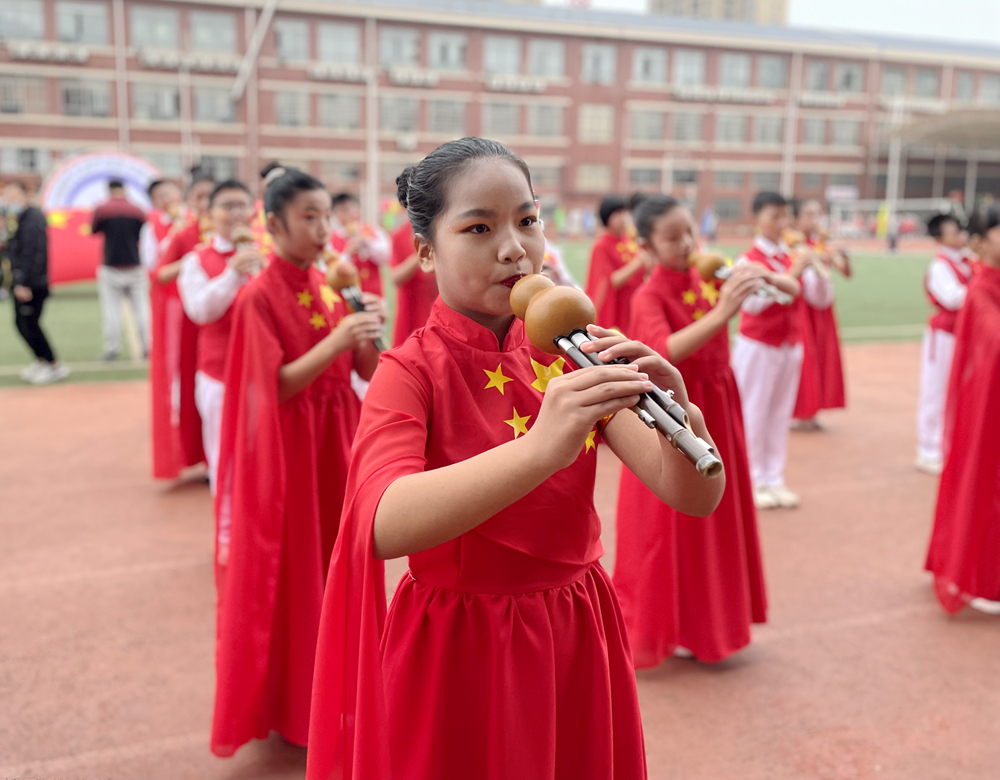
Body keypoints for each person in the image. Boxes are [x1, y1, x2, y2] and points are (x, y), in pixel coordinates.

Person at [306, 138, 724, 780]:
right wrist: (540, 448)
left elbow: (693, 495)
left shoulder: (570, 351)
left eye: (527, 220)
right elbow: (381, 523)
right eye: (479, 227)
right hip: (459, 642)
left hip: (576, 625)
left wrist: (679, 415)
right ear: (425, 251)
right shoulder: (409, 370)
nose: (515, 248)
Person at [211, 166, 384, 756]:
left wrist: (363, 333)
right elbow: (272, 388)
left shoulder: (333, 282)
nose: (322, 229)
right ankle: (298, 707)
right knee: (297, 570)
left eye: (325, 216)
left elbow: (364, 372)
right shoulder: (258, 295)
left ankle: (347, 692)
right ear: (276, 224)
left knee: (344, 562)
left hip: (340, 437)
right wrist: (336, 341)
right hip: (292, 448)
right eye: (308, 218)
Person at [613, 195, 767, 665]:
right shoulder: (649, 294)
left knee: (718, 514)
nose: (685, 244)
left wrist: (765, 278)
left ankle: (710, 625)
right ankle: (672, 625)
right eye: (672, 237)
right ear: (647, 246)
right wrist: (722, 313)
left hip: (719, 403)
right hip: (678, 410)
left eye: (689, 233)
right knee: (672, 521)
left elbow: (784, 287)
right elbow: (662, 351)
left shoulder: (705, 277)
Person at [924, 206, 1000, 615]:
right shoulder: (981, 289)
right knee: (985, 482)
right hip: (986, 403)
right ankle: (982, 578)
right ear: (980, 241)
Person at [729, 192, 822, 510]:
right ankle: (752, 479)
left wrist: (817, 266)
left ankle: (773, 477)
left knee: (779, 414)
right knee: (754, 412)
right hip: (758, 345)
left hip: (788, 345)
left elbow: (820, 299)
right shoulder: (748, 259)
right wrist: (795, 271)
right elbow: (754, 304)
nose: (780, 224)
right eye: (773, 217)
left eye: (784, 217)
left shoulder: (790, 255)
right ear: (756, 219)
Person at [177, 180, 263, 497]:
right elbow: (200, 311)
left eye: (243, 205)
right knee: (223, 459)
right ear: (210, 214)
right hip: (219, 375)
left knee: (264, 458)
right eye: (227, 206)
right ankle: (228, 538)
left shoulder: (268, 255)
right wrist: (232, 274)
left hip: (266, 374)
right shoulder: (196, 261)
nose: (237, 213)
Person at [916, 213, 974, 475]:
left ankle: (951, 445)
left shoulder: (968, 263)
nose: (960, 236)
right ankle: (928, 450)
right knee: (936, 392)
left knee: (961, 391)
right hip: (944, 337)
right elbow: (952, 299)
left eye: (961, 231)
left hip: (964, 336)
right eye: (953, 232)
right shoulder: (939, 266)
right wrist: (979, 291)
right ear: (939, 238)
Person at [143, 179, 193, 479]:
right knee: (176, 372)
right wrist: (172, 238)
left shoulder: (193, 221)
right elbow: (153, 267)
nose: (166, 199)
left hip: (197, 301)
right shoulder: (153, 227)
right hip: (173, 306)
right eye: (159, 196)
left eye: (169, 193)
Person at [790, 198, 848, 430]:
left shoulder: (821, 243)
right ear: (796, 218)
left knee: (820, 355)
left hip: (821, 308)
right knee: (803, 358)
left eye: (817, 215)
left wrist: (834, 252)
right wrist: (821, 255)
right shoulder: (791, 243)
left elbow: (846, 270)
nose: (814, 221)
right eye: (809, 215)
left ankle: (813, 408)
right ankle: (799, 409)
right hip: (801, 307)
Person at [3, 182, 69, 384]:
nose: (9, 200)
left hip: (32, 283)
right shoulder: (17, 218)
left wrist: (24, 283)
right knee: (21, 324)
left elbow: (33, 254)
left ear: (26, 195)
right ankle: (41, 361)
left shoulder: (33, 218)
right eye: (7, 196)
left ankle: (53, 364)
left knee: (30, 324)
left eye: (13, 195)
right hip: (20, 281)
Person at [90, 179, 150, 360]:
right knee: (142, 310)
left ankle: (112, 349)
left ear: (109, 190)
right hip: (135, 265)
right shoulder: (137, 209)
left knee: (111, 311)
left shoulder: (102, 208)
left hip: (111, 266)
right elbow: (144, 233)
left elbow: (94, 230)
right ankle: (148, 347)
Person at [584, 194, 645, 331]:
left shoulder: (628, 240)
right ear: (607, 217)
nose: (623, 218)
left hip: (632, 305)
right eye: (617, 214)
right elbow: (611, 281)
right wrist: (639, 261)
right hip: (616, 309)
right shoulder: (601, 246)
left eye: (624, 212)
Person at [329, 192, 391, 297]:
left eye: (349, 209)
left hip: (373, 291)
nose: (347, 214)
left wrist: (367, 243)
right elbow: (330, 269)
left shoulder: (371, 230)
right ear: (335, 214)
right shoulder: (332, 238)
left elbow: (386, 256)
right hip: (347, 293)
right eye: (342, 210)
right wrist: (347, 253)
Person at [389, 215, 438, 346]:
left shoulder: (441, 230)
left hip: (437, 303)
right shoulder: (400, 235)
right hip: (411, 306)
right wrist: (420, 254)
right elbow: (395, 277)